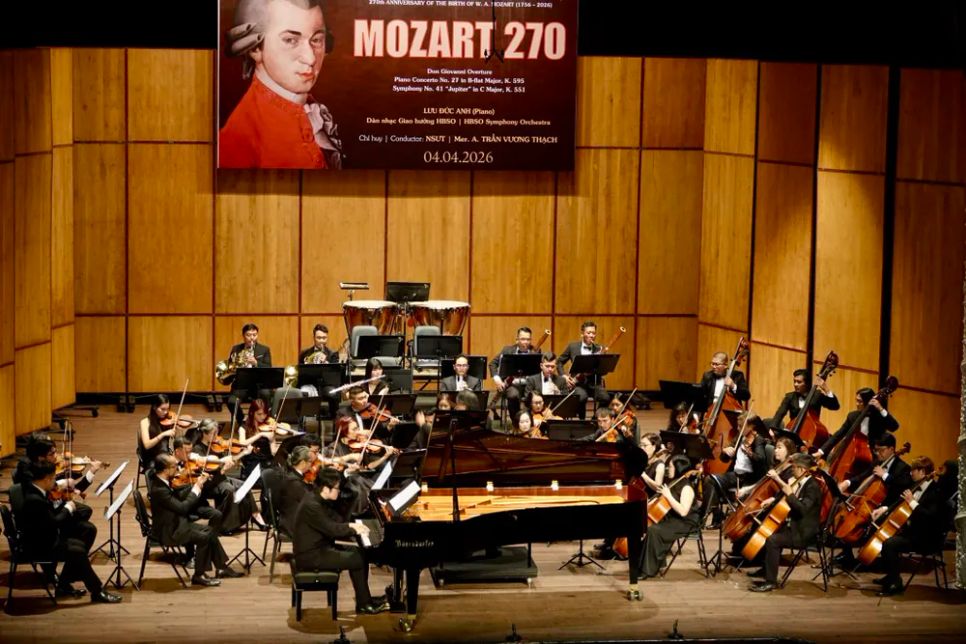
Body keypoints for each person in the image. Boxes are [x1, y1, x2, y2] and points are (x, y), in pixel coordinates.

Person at [220, 0, 343, 169]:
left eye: (316, 40)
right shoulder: (236, 140)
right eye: (291, 40)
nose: (310, 59)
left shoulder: (310, 108)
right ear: (255, 48)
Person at [10, 462, 122, 603]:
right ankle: (96, 591)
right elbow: (53, 522)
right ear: (46, 479)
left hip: (43, 535)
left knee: (82, 541)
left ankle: (64, 585)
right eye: (53, 478)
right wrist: (68, 508)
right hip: (37, 545)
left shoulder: (37, 491)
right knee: (78, 550)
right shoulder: (35, 499)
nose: (55, 482)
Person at [292, 467, 389, 614]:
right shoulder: (312, 505)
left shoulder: (317, 498)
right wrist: (353, 528)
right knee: (357, 559)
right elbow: (332, 529)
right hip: (311, 555)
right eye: (337, 488)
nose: (339, 491)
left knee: (358, 551)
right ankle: (364, 604)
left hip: (320, 547)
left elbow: (335, 522)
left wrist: (350, 524)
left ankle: (365, 599)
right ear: (326, 489)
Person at [150, 454, 243, 586]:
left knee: (210, 532)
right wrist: (196, 488)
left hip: (176, 523)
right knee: (204, 537)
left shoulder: (163, 481)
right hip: (169, 531)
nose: (178, 469)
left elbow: (179, 498)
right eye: (174, 466)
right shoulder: (159, 490)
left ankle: (221, 567)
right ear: (166, 470)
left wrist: (198, 484)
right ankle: (198, 575)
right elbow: (182, 508)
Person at [872, 456, 955, 596]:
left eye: (913, 470)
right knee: (885, 538)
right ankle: (891, 576)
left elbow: (929, 517)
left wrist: (912, 502)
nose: (911, 473)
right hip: (915, 532)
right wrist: (884, 509)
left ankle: (895, 583)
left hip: (927, 538)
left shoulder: (936, 492)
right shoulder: (916, 485)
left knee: (889, 544)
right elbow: (900, 502)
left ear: (922, 472)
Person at [748, 453, 823, 592]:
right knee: (767, 530)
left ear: (802, 469)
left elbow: (802, 510)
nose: (792, 470)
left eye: (794, 467)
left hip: (803, 532)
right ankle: (767, 570)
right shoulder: (800, 481)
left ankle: (771, 581)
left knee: (773, 541)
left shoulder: (812, 487)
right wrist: (774, 499)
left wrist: (790, 494)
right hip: (794, 524)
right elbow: (788, 499)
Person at [640, 454, 701, 578]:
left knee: (654, 531)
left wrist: (668, 496)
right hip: (673, 517)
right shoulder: (673, 482)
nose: (668, 469)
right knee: (649, 527)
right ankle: (655, 563)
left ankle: (648, 570)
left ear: (678, 468)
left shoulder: (687, 487)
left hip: (686, 522)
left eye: (671, 467)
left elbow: (683, 512)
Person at [816, 387, 899, 468]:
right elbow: (838, 435)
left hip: (874, 459)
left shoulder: (879, 417)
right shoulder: (852, 416)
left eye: (860, 401)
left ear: (867, 402)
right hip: (853, 456)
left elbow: (894, 427)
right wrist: (821, 451)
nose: (857, 404)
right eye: (856, 400)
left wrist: (881, 409)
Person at [557, 321, 611, 418]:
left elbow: (604, 371)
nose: (592, 335)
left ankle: (594, 420)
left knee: (606, 398)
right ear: (582, 334)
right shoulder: (573, 347)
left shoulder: (599, 348)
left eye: (593, 333)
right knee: (582, 397)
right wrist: (564, 376)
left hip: (594, 383)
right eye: (589, 333)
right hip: (577, 383)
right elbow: (559, 362)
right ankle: (582, 422)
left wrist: (602, 363)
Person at [224, 323, 273, 422]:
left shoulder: (264, 349)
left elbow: (268, 367)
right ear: (243, 336)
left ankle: (264, 420)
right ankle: (242, 420)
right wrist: (234, 367)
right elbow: (230, 366)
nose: (252, 338)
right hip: (242, 385)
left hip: (259, 385)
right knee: (231, 402)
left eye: (254, 335)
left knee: (266, 395)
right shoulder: (236, 349)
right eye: (249, 335)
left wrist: (256, 363)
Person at [489, 327, 536, 418]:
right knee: (513, 395)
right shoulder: (507, 350)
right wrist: (497, 380)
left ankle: (530, 420)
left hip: (529, 385)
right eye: (523, 339)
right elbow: (492, 364)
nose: (526, 342)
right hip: (512, 385)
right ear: (517, 339)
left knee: (534, 395)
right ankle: (516, 421)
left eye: (528, 339)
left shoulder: (535, 351)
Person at [768, 368, 840, 428]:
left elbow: (835, 406)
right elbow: (779, 414)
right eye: (794, 381)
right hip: (793, 429)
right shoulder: (790, 397)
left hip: (811, 431)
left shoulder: (816, 396)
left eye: (799, 382)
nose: (795, 384)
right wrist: (772, 428)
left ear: (807, 384)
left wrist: (826, 389)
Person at [277, 446, 315, 536]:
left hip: (294, 518)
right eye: (310, 462)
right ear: (303, 463)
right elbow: (309, 500)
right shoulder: (293, 482)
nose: (312, 465)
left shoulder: (292, 475)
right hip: (293, 525)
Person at [138, 394, 178, 468]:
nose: (166, 412)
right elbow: (147, 445)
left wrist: (176, 430)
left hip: (165, 453)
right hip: (151, 457)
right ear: (154, 407)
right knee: (172, 465)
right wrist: (163, 434)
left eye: (167, 409)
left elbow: (172, 443)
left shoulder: (169, 421)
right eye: (162, 409)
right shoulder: (145, 422)